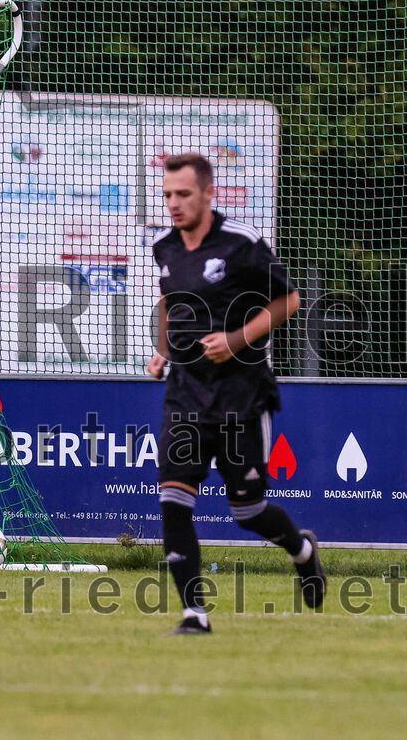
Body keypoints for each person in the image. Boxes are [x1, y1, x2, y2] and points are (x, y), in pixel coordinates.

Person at [147, 152, 325, 634]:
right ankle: (194, 614)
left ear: (208, 193)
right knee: (173, 497)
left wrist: (235, 340)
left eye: (183, 194)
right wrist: (162, 351)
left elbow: (289, 299)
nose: (174, 203)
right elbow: (167, 301)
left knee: (247, 510)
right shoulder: (165, 246)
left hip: (240, 395)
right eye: (167, 195)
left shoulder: (241, 244)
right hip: (185, 394)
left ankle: (301, 550)